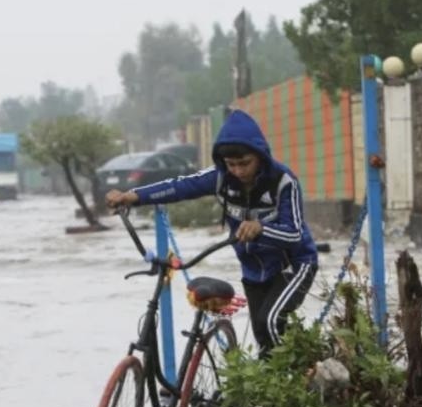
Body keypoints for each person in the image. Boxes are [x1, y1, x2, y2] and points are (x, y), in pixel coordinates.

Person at [106, 109, 319, 355]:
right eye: (232, 165)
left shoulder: (284, 182)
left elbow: (294, 234)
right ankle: (277, 382)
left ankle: (291, 382)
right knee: (263, 335)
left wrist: (261, 228)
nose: (238, 171)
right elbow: (179, 186)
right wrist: (131, 196)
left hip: (293, 265)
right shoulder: (220, 178)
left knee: (271, 321)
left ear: (260, 156)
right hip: (253, 269)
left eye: (245, 163)